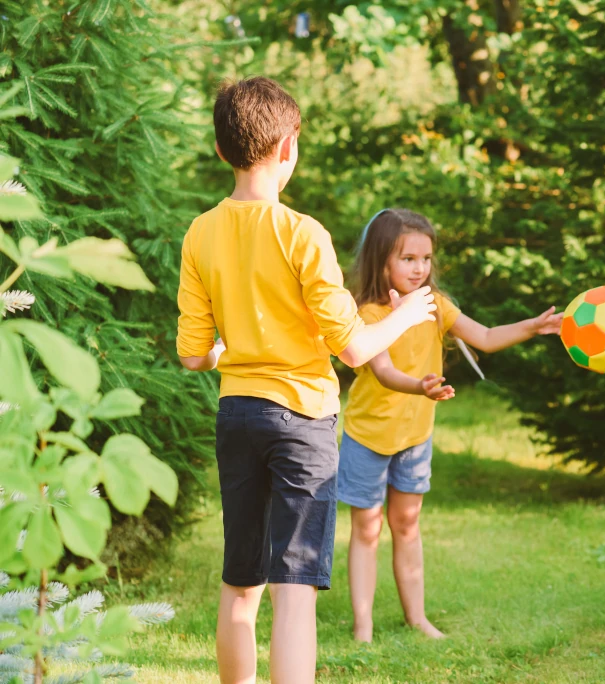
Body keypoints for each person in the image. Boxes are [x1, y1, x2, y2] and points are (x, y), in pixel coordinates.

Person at [175, 77, 436, 684]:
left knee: (240, 581)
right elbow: (353, 349)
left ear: (221, 151)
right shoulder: (303, 233)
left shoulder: (200, 232)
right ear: (289, 147)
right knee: (294, 589)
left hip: (237, 415)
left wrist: (227, 350)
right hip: (301, 422)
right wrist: (402, 314)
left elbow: (193, 356)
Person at [338, 208, 562, 642]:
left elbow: (489, 337)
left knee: (406, 525)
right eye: (408, 259)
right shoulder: (367, 313)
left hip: (414, 439)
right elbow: (382, 371)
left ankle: (416, 618)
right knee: (366, 530)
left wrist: (533, 327)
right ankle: (362, 627)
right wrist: (419, 387)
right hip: (367, 436)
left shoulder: (436, 305)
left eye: (426, 258)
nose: (420, 268)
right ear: (382, 259)